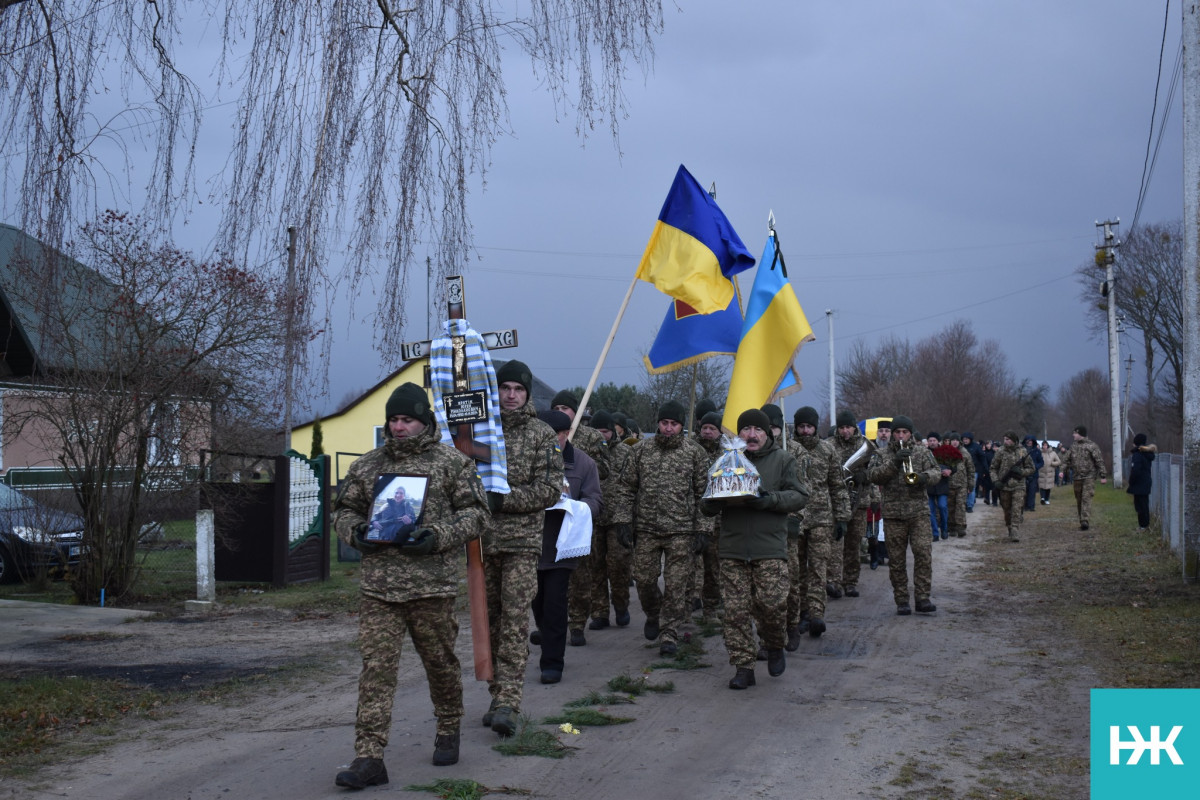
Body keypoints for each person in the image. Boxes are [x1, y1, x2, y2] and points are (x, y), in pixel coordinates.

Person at [332, 383, 489, 787]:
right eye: (394, 420)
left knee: (439, 664)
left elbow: (477, 515)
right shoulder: (367, 466)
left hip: (430, 587)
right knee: (377, 671)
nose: (399, 427)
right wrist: (357, 532)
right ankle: (369, 757)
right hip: (379, 588)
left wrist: (439, 535)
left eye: (408, 419)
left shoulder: (452, 464)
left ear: (425, 422)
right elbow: (343, 511)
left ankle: (449, 727)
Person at [480, 360, 565, 736]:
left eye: (518, 389)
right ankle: (496, 694)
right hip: (481, 544)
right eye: (505, 388)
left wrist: (505, 499)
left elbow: (549, 489)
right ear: (495, 390)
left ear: (528, 394)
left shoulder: (541, 434)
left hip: (521, 544)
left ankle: (508, 702)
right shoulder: (478, 431)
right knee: (491, 623)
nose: (511, 395)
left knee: (514, 621)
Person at [701, 408, 807, 690]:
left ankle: (774, 644)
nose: (751, 434)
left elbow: (799, 496)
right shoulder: (727, 460)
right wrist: (715, 498)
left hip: (769, 548)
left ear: (767, 432)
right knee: (735, 612)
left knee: (772, 605)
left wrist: (769, 499)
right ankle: (743, 666)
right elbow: (706, 503)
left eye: (757, 429)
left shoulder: (783, 460)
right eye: (745, 429)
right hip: (733, 549)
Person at [616, 400, 710, 656]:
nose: (669, 428)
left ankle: (669, 632)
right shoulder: (641, 451)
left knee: (676, 585)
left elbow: (705, 494)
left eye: (674, 424)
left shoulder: (695, 453)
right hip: (647, 529)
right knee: (644, 580)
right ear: (658, 423)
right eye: (665, 423)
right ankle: (654, 614)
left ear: (682, 426)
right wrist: (622, 520)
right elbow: (626, 488)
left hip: (681, 531)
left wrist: (703, 528)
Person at [530, 410, 602, 685]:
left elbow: (596, 501)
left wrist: (573, 505)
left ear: (566, 435)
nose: (549, 442)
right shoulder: (530, 458)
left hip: (562, 545)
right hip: (531, 542)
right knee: (537, 602)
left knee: (556, 604)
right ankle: (546, 632)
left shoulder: (583, 464)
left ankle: (552, 662)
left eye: (555, 436)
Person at [550, 389, 609, 648]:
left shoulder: (591, 438)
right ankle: (550, 624)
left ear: (576, 412)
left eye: (566, 408)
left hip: (578, 516)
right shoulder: (541, 433)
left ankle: (576, 624)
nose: (561, 412)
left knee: (580, 574)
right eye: (557, 407)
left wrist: (578, 456)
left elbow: (606, 469)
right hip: (548, 520)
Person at [867, 414, 939, 616]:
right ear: (891, 434)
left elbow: (936, 472)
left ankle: (923, 598)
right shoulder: (881, 454)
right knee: (896, 561)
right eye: (896, 432)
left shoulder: (922, 452)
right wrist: (894, 463)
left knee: (923, 554)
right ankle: (902, 600)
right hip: (893, 515)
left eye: (904, 432)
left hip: (918, 513)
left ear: (910, 433)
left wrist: (922, 478)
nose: (900, 436)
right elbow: (873, 476)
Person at [792, 406, 850, 636]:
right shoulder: (789, 450)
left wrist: (842, 517)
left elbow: (838, 485)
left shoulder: (827, 450)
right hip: (795, 518)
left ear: (816, 427)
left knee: (818, 567)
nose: (806, 431)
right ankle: (801, 613)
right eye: (801, 426)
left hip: (821, 518)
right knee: (797, 569)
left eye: (809, 426)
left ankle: (816, 613)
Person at [586, 410, 635, 629]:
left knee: (618, 567)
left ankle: (621, 605)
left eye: (604, 431)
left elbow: (634, 486)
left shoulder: (626, 452)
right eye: (596, 431)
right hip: (593, 519)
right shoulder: (585, 453)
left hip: (618, 519)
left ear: (613, 431)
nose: (600, 435)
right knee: (595, 567)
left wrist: (629, 519)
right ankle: (599, 612)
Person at [829, 410, 872, 597]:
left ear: (855, 428)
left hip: (858, 502)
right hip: (835, 502)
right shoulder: (829, 445)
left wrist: (865, 475)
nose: (845, 431)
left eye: (849, 427)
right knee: (835, 544)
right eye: (842, 427)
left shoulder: (864, 445)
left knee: (853, 544)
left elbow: (878, 470)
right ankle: (833, 582)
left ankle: (851, 582)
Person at [690, 408, 726, 623]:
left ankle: (711, 609)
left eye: (712, 428)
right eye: (705, 427)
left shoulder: (727, 454)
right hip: (691, 518)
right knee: (691, 566)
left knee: (714, 567)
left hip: (718, 521)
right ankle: (689, 603)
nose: (708, 432)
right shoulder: (691, 449)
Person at [989, 431, 1035, 543]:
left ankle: (1015, 530)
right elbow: (993, 468)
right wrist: (996, 481)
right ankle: (1009, 527)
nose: (1006, 441)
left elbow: (1031, 468)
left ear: (1014, 440)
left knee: (1017, 507)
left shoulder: (1022, 451)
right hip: (1004, 486)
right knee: (1007, 509)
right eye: (1004, 439)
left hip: (1019, 485)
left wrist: (1021, 472)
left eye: (1008, 439)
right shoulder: (1000, 451)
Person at [1061, 425, 1107, 531]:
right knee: (1079, 499)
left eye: (1075, 433)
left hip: (1089, 476)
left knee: (1086, 497)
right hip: (1077, 477)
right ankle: (1081, 519)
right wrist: (1062, 471)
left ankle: (1085, 520)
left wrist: (1103, 475)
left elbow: (1099, 461)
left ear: (1080, 434)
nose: (1073, 435)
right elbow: (1066, 460)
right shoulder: (1073, 446)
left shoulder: (1092, 446)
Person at [924, 432, 951, 541]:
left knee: (942, 506)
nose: (932, 442)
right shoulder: (925, 453)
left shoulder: (945, 452)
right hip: (929, 485)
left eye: (934, 440)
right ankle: (934, 533)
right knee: (930, 510)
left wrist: (950, 470)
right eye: (930, 440)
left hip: (942, 485)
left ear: (938, 441)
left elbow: (954, 465)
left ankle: (944, 529)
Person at [946, 432, 974, 537]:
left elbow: (970, 469)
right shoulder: (946, 452)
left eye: (956, 440)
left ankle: (961, 527)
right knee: (950, 507)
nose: (954, 442)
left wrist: (971, 484)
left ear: (959, 441)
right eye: (953, 440)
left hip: (962, 484)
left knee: (961, 506)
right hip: (949, 484)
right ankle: (951, 527)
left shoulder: (965, 453)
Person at [1127, 433, 1156, 532]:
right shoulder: (1147, 455)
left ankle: (1143, 526)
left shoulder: (1137, 455)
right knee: (1144, 505)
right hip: (1146, 482)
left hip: (1139, 484)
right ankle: (1144, 525)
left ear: (1135, 443)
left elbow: (1136, 470)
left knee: (1140, 506)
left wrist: (1131, 482)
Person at [962, 431, 984, 512]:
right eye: (964, 439)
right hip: (962, 471)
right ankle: (964, 503)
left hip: (974, 470)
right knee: (963, 488)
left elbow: (982, 457)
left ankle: (970, 505)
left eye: (967, 439)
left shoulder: (976, 447)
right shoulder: (961, 447)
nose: (965, 441)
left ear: (970, 439)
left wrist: (983, 470)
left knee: (972, 488)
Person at [1021, 435, 1044, 513]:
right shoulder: (1021, 450)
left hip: (1034, 474)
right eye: (1028, 440)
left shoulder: (1037, 451)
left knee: (1032, 490)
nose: (1029, 442)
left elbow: (1041, 462)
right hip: (1023, 473)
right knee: (1024, 491)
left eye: (1031, 441)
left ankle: (1031, 506)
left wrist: (1035, 467)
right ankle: (1025, 506)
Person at [1038, 440, 1062, 505]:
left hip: (1050, 472)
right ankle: (1042, 498)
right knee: (1042, 486)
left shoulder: (1053, 453)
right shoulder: (1040, 453)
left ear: (1047, 445)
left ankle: (1047, 499)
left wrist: (1052, 463)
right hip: (1041, 472)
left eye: (1045, 445)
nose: (1044, 446)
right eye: (1043, 445)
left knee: (1048, 487)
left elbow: (1059, 461)